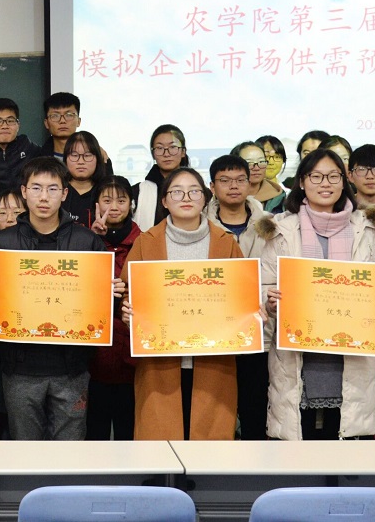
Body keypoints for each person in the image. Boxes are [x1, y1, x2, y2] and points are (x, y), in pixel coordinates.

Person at [0, 158, 121, 441]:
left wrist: (113, 296)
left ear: (64, 194)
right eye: (36, 188)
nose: (43, 197)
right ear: (24, 192)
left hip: (72, 368)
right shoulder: (1, 244)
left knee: (70, 449)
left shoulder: (87, 243)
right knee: (25, 448)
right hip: (19, 368)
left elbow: (106, 308)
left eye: (52, 189)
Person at [255, 148, 375, 440]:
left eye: (333, 176)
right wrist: (271, 302)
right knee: (299, 447)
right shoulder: (280, 230)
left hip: (350, 354)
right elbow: (264, 290)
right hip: (297, 358)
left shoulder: (366, 228)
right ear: (302, 181)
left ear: (345, 181)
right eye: (316, 176)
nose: (325, 183)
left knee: (344, 446)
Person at [119, 168, 244, 441]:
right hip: (160, 362)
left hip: (213, 361)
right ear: (164, 201)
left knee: (210, 443)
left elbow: (241, 297)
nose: (186, 198)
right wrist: (128, 312)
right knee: (160, 440)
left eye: (194, 191)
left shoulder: (226, 243)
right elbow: (129, 292)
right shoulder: (146, 242)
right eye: (177, 192)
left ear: (205, 198)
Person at [86, 176, 138, 441]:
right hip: (92, 356)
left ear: (131, 204)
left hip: (132, 356)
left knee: (129, 430)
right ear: (95, 204)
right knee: (94, 432)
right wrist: (93, 240)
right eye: (107, 200)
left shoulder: (145, 242)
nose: (114, 207)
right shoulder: (83, 240)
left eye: (121, 200)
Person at [206, 154, 267, 256]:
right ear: (212, 187)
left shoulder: (269, 225)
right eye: (225, 181)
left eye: (240, 180)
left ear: (249, 185)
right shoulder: (202, 226)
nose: (234, 186)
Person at [134, 124, 189, 231]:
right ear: (153, 154)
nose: (166, 154)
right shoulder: (138, 192)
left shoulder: (198, 191)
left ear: (183, 152)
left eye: (172, 147)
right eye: (159, 148)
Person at [62, 131, 110, 226]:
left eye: (87, 156)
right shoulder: (57, 191)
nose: (81, 161)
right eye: (74, 155)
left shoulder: (105, 192)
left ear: (98, 159)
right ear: (65, 159)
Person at [234, 141, 284, 213]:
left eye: (261, 162)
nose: (256, 168)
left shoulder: (279, 198)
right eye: (249, 163)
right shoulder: (225, 196)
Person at [256, 135, 289, 208]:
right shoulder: (244, 194)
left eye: (277, 157)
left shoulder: (289, 196)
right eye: (265, 157)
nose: (271, 162)